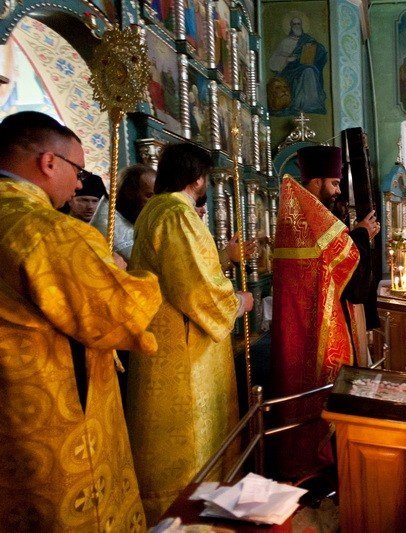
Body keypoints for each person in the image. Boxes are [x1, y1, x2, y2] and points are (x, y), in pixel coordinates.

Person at [0, 111, 162, 530]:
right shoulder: (46, 230)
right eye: (77, 170)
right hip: (49, 417)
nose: (78, 184)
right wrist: (126, 273)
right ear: (48, 162)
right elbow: (120, 311)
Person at [127, 143, 254, 523]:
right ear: (198, 178)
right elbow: (196, 289)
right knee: (189, 448)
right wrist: (238, 302)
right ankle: (188, 520)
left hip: (169, 341)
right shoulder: (176, 213)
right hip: (181, 353)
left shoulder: (156, 210)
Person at [270, 145, 379, 478]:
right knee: (321, 395)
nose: (337, 190)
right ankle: (319, 467)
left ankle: (309, 462)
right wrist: (360, 234)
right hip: (317, 326)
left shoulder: (301, 212)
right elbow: (352, 275)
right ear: (315, 182)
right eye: (333, 183)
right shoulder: (310, 215)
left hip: (302, 326)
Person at [91, 163, 156, 261]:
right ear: (129, 193)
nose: (155, 202)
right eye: (149, 196)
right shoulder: (107, 225)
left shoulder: (135, 216)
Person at [267, 17, 327, 115]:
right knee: (307, 70)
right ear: (291, 26)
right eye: (294, 24)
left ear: (301, 25)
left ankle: (311, 103)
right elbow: (273, 62)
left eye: (298, 24)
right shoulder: (285, 42)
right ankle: (298, 103)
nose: (296, 26)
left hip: (304, 67)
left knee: (309, 70)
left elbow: (320, 53)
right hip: (289, 70)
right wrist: (287, 59)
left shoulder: (308, 40)